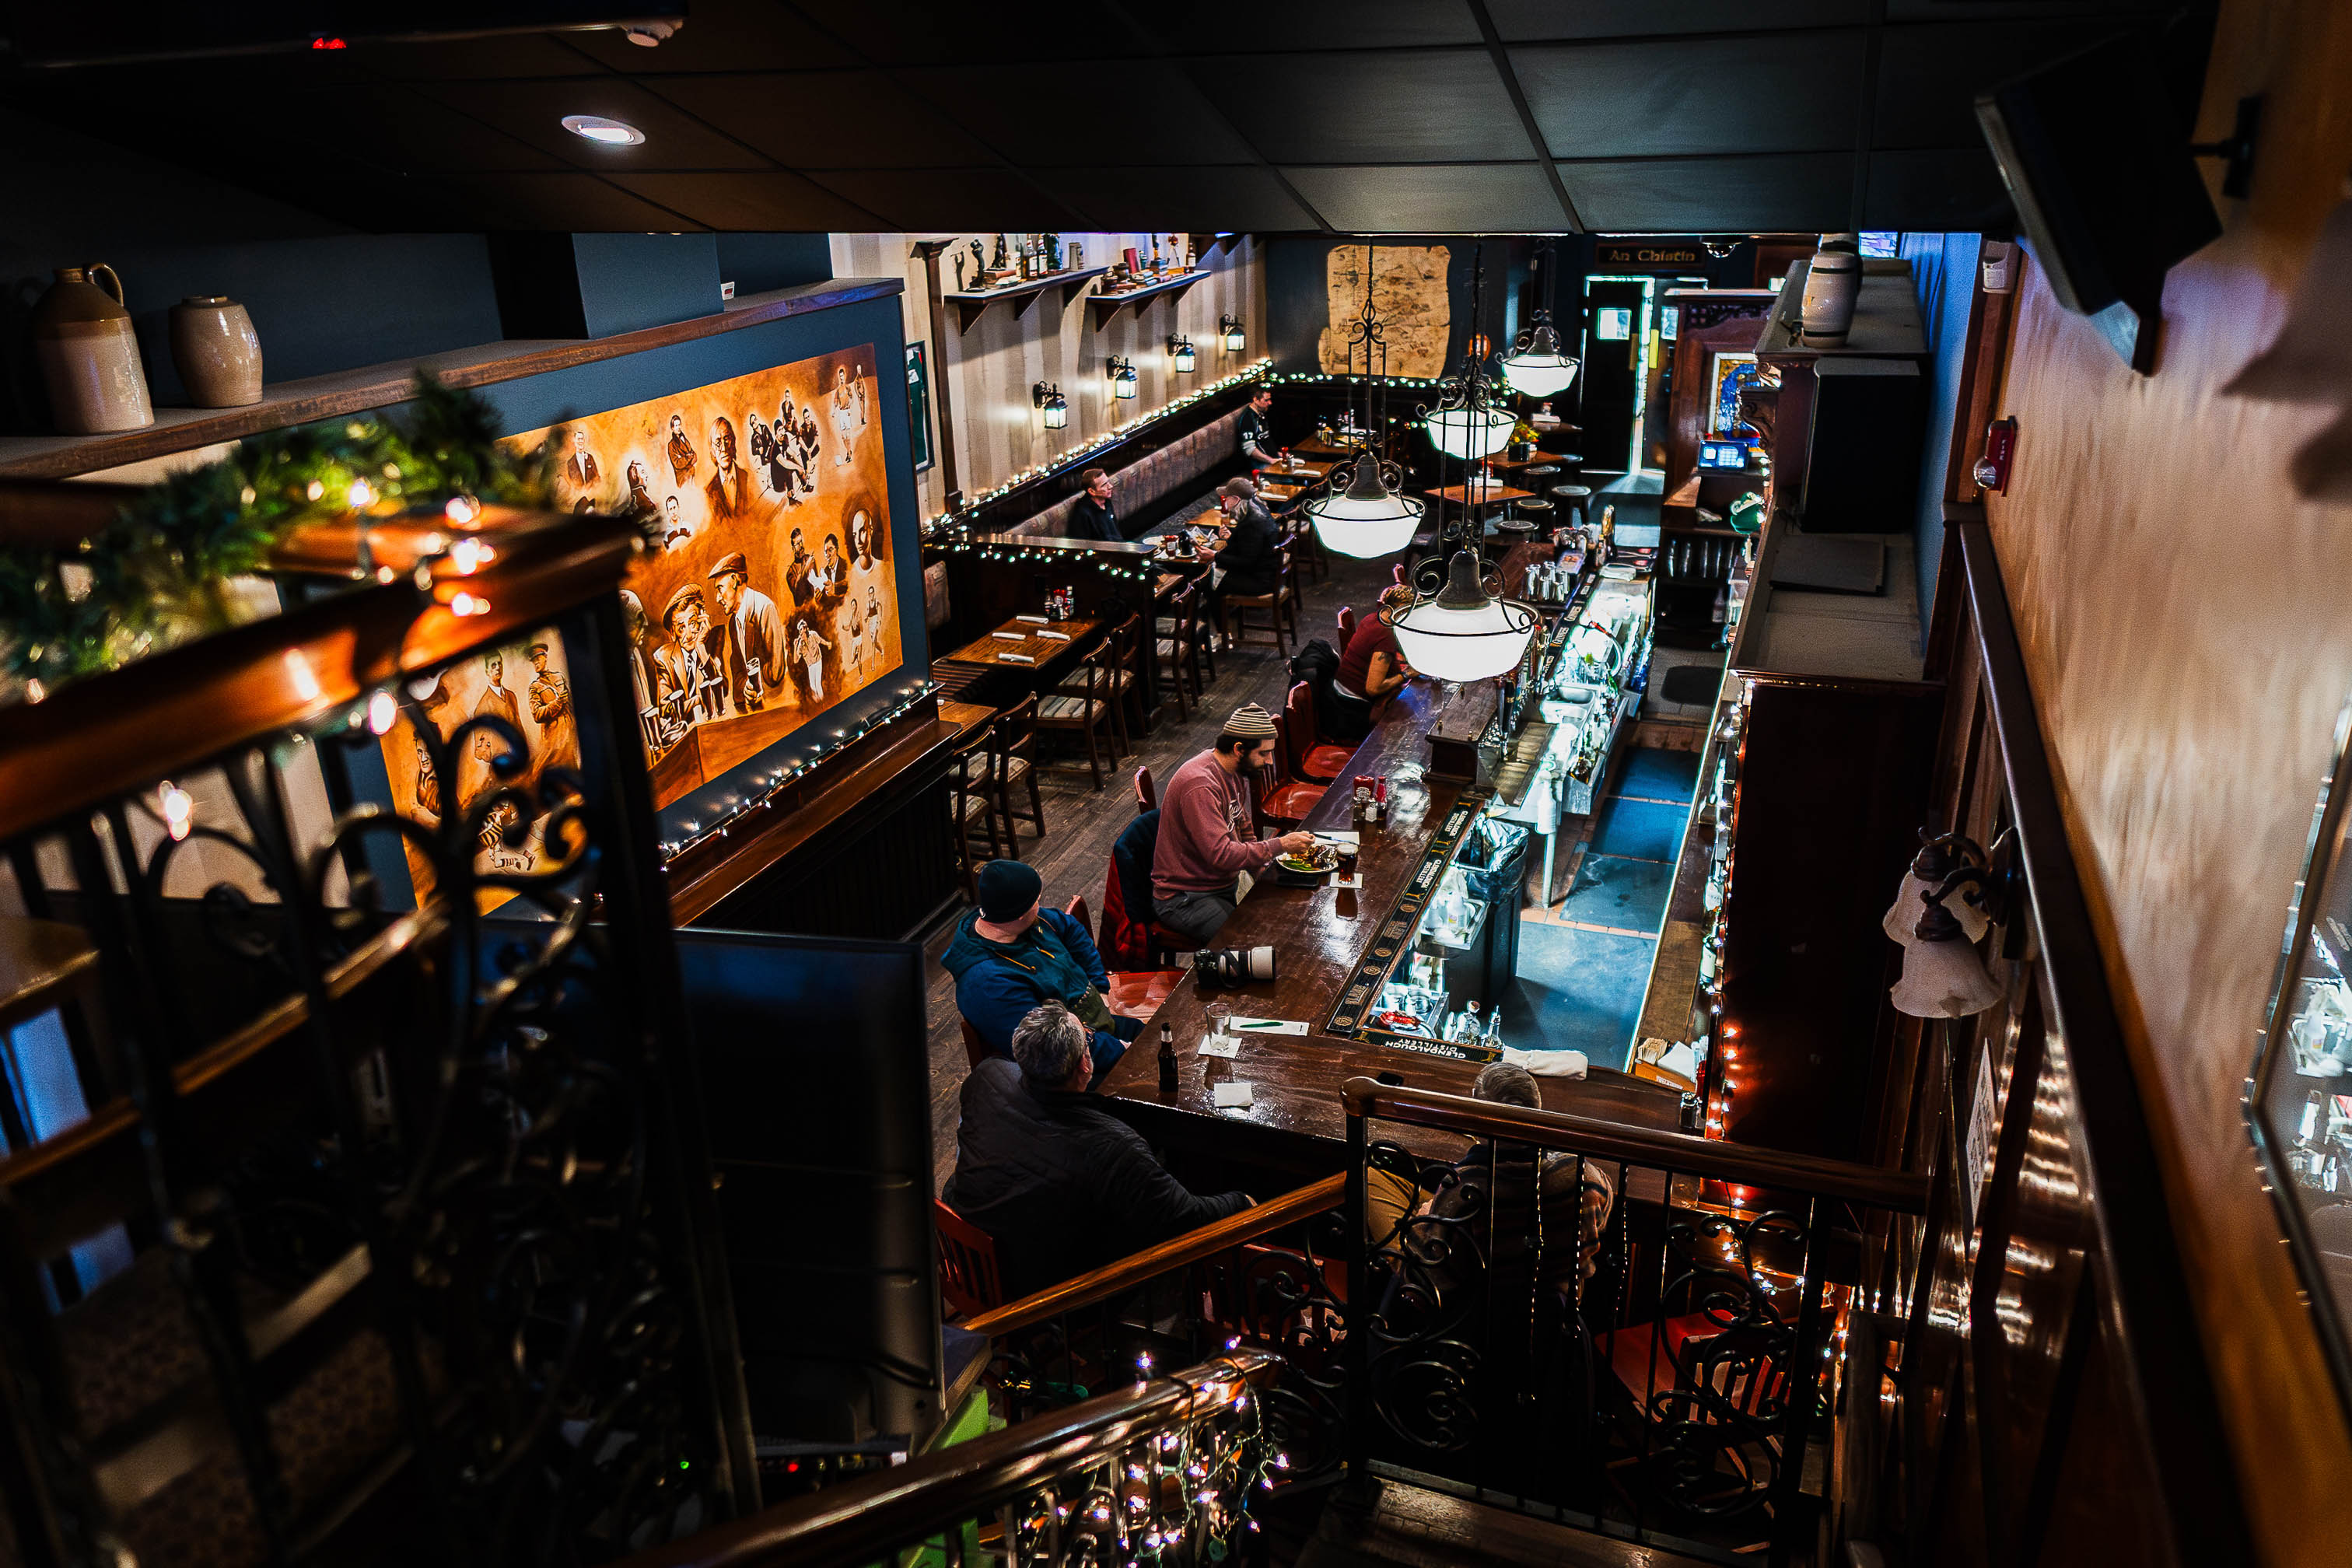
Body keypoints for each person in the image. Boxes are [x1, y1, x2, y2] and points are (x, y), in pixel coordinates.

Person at [943, 1000, 1250, 1297]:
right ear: (1085, 1064)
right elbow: (1186, 1219)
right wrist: (1242, 1201)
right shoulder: (1112, 1147)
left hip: (969, 1263)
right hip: (1043, 1294)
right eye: (1089, 1039)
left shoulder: (987, 1076)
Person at [942, 859, 1139, 1080]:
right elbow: (1051, 1046)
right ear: (1019, 913)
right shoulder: (987, 984)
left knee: (1163, 1035)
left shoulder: (1025, 920)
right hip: (1071, 1069)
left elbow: (1072, 929)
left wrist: (1100, 987)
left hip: (1101, 1023)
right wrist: (1121, 1050)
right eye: (1036, 900)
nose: (1040, 904)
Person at [1150, 704, 1318, 943]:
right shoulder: (1201, 785)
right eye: (1263, 753)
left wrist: (1262, 872)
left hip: (1220, 883)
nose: (1270, 761)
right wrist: (1281, 844)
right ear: (1239, 749)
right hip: (1185, 897)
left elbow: (1243, 825)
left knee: (1287, 919)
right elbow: (1221, 855)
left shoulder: (1234, 771)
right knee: (1248, 948)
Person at [1330, 583, 1419, 742]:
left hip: (1338, 695)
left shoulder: (1373, 618)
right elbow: (1373, 688)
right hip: (1352, 710)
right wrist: (1407, 674)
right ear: (1400, 612)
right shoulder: (1386, 636)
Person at [708, 552, 786, 713]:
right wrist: (745, 688)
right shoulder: (733, 623)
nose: (717, 598)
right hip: (755, 710)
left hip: (775, 707)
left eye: (720, 588)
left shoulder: (764, 608)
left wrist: (757, 685)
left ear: (735, 580)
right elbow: (737, 672)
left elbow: (776, 672)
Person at [704, 415, 748, 518]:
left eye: (727, 439)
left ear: (733, 442)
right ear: (713, 451)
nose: (724, 448)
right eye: (718, 442)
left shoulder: (748, 478)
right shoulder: (709, 492)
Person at [1069, 467, 1121, 543]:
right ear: (1092, 491)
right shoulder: (1083, 513)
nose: (1110, 487)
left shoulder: (1107, 502)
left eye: (1108, 482)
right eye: (1104, 485)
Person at [1236, 386, 1276, 467]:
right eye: (1266, 400)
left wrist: (1279, 455)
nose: (1270, 403)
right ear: (1255, 400)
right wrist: (1271, 460)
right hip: (1261, 465)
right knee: (1291, 479)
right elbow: (1250, 450)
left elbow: (1266, 444)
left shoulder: (1261, 414)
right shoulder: (1247, 419)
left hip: (1272, 459)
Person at [664, 412, 696, 487]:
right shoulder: (671, 445)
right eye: (676, 426)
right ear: (672, 428)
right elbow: (677, 464)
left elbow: (694, 455)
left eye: (679, 425)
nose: (678, 427)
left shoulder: (685, 440)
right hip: (682, 478)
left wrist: (686, 458)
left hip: (691, 475)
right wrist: (688, 457)